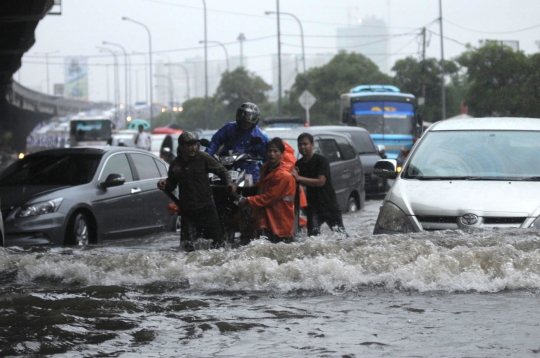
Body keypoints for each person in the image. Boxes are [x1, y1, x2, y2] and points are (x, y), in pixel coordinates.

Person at [158, 131, 235, 251]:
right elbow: (171, 184)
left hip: (207, 208)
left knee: (218, 245)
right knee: (187, 248)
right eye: (189, 145)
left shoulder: (203, 158)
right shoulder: (176, 165)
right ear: (182, 147)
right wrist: (165, 183)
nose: (193, 147)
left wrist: (229, 183)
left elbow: (222, 171)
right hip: (188, 213)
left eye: (195, 144)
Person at [238, 137, 296, 243]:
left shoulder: (283, 176)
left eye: (275, 151)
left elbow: (270, 197)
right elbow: (261, 187)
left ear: (282, 154)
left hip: (279, 221)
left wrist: (248, 201)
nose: (272, 154)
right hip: (265, 219)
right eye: (269, 150)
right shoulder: (265, 168)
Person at [291, 132, 347, 236]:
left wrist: (298, 178)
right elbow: (296, 186)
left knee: (341, 235)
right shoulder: (299, 164)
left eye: (305, 144)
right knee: (313, 235)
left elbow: (321, 182)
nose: (302, 147)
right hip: (313, 206)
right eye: (300, 144)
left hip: (329, 204)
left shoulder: (322, 161)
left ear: (312, 145)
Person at [205, 102, 268, 182]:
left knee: (255, 184)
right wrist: (207, 156)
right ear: (238, 119)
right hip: (226, 165)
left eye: (248, 123)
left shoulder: (259, 136)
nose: (245, 124)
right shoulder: (229, 128)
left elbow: (266, 157)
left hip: (250, 170)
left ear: (254, 122)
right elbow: (215, 142)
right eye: (243, 122)